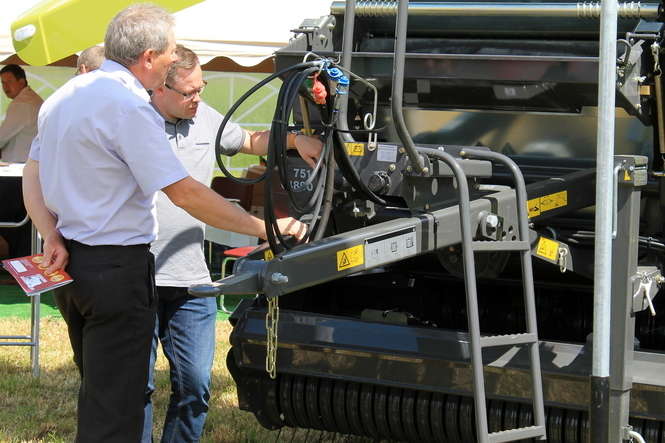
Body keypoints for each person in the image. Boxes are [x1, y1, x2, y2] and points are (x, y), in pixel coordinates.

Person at [22, 5, 308, 442]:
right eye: (171, 53)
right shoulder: (130, 107)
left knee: (100, 398)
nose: (175, 60)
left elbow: (33, 172)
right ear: (150, 56)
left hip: (72, 266)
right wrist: (268, 230)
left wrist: (51, 232)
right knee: (119, 408)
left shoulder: (65, 97)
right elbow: (186, 193)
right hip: (116, 271)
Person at [142, 45, 321, 442]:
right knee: (138, 388)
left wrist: (296, 141)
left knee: (195, 385)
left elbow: (250, 140)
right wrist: (265, 227)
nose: (197, 99)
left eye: (200, 88)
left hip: (191, 279)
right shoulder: (135, 124)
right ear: (158, 88)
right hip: (139, 276)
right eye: (187, 93)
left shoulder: (203, 117)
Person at [0, 64, 43, 163]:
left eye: (9, 82)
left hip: (18, 166)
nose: (5, 87)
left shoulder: (22, 103)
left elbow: (2, 136)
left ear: (21, 82)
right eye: (3, 83)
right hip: (31, 162)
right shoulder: (32, 98)